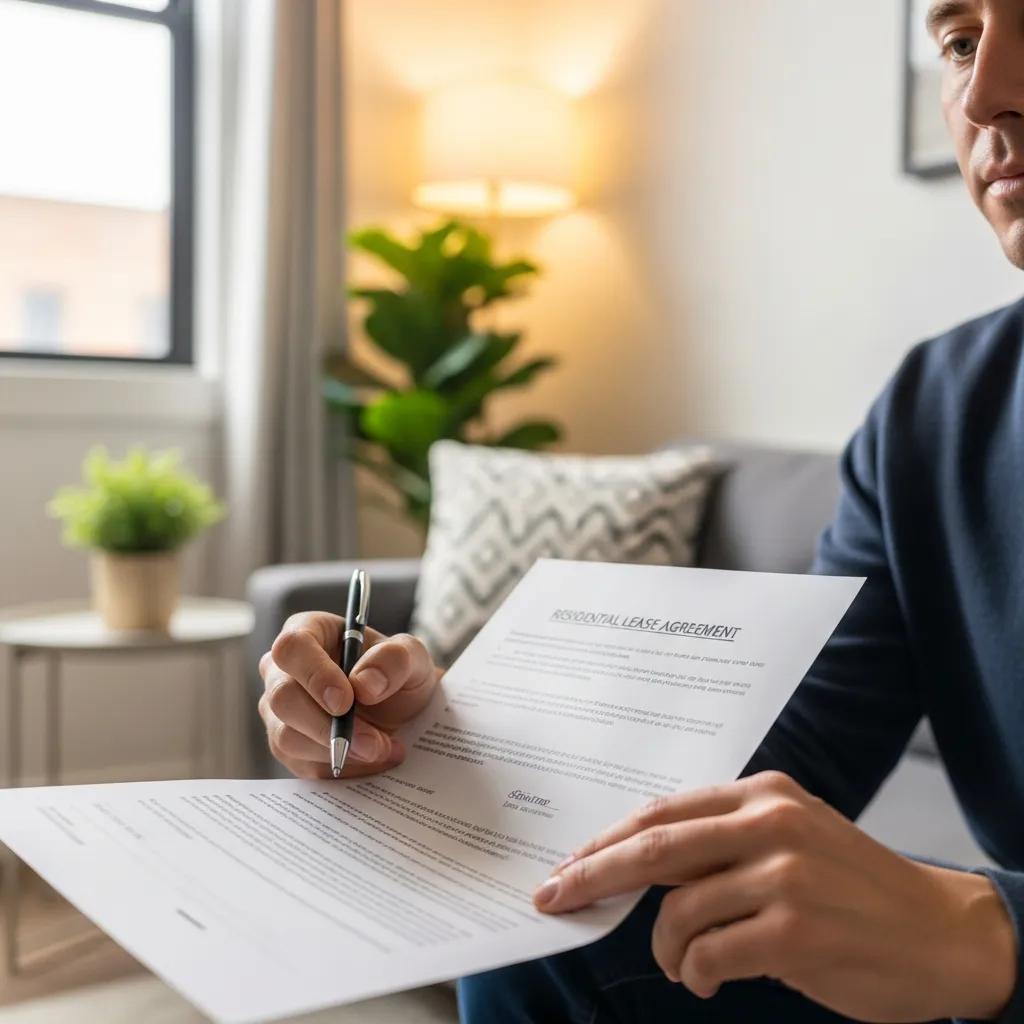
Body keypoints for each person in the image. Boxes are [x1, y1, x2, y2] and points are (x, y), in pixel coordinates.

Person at [256, 1, 1024, 1019]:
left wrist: (985, 930)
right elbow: (787, 757)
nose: (984, 93)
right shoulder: (933, 412)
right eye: (960, 40)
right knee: (558, 912)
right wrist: (440, 746)